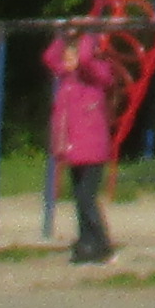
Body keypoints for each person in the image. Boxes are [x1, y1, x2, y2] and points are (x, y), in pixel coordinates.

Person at [43, 25, 131, 265]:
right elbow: (49, 58)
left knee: (86, 198)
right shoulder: (67, 80)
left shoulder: (95, 77)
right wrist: (63, 36)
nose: (68, 61)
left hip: (92, 151)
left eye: (71, 57)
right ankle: (86, 242)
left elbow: (85, 59)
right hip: (73, 150)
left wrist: (86, 34)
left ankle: (102, 244)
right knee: (79, 199)